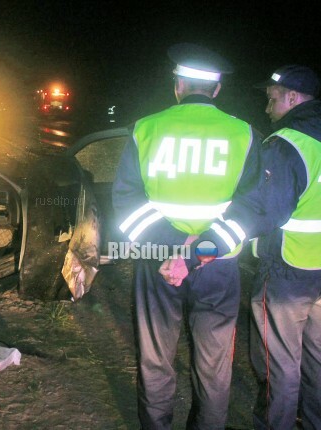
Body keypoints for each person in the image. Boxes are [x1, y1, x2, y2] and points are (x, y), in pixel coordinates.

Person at [112, 43, 263, 428]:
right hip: (218, 265)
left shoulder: (145, 128)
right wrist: (196, 253)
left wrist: (171, 251)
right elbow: (249, 210)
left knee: (155, 359)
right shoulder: (244, 134)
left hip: (158, 265)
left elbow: (127, 201)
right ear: (215, 90)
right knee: (214, 367)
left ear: (177, 84)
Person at [174, 65, 321, 429]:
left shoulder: (287, 146)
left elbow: (254, 215)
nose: (268, 108)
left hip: (290, 272)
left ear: (293, 98)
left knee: (280, 366)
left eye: (272, 100)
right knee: (318, 361)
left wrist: (196, 254)